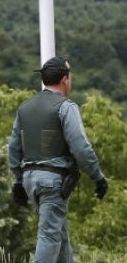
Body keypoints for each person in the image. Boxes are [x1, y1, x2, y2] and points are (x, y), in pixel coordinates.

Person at [8, 56, 108, 263]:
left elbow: (14, 148)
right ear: (65, 79)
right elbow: (80, 145)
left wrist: (18, 180)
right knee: (49, 236)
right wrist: (97, 176)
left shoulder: (25, 107)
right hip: (53, 181)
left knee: (58, 235)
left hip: (30, 179)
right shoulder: (66, 106)